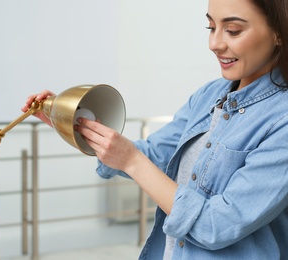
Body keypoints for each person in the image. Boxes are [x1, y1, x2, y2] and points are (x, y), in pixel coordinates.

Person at [22, 0, 288, 259]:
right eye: (211, 27)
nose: (214, 43)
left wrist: (130, 160)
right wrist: (74, 123)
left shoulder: (282, 121)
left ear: (279, 32)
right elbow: (155, 155)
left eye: (233, 30)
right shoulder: (209, 95)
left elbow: (217, 225)